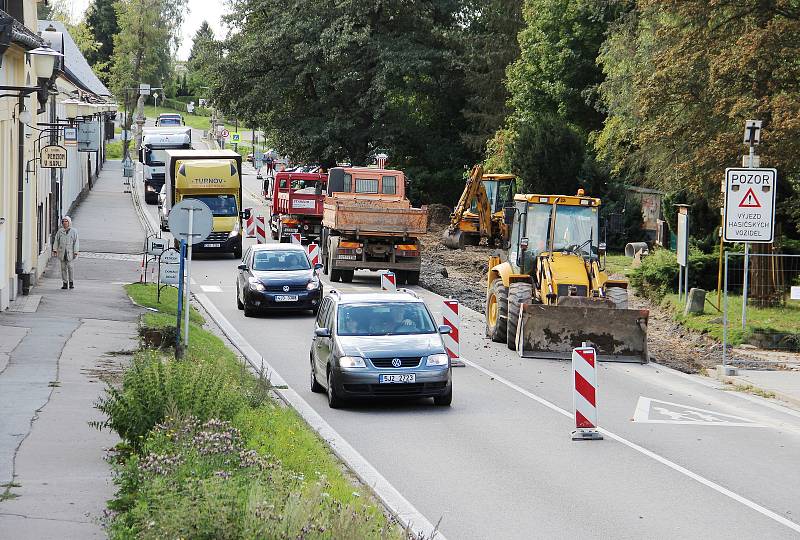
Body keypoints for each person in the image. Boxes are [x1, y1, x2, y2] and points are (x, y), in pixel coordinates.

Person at [53, 216, 79, 289]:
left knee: (70, 267)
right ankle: (64, 282)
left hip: (70, 252)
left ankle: (71, 282)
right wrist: (55, 249)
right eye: (63, 221)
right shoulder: (60, 231)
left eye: (66, 221)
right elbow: (56, 240)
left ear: (69, 222)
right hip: (62, 252)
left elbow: (76, 242)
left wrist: (76, 251)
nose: (64, 223)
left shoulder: (74, 231)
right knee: (63, 268)